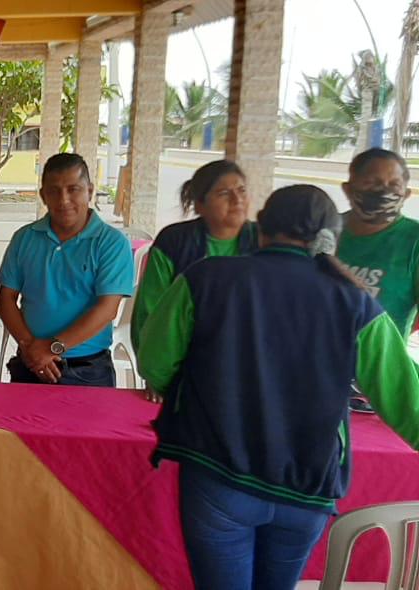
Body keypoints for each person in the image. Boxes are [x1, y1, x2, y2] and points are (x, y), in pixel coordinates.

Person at [137, 185, 419, 590]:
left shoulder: (205, 278)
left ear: (261, 227)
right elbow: (408, 404)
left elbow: (155, 364)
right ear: (331, 238)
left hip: (219, 476)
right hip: (306, 487)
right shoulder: (357, 303)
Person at [0, 153, 134, 387]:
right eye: (54, 191)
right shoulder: (24, 238)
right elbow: (6, 299)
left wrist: (52, 348)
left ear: (90, 191)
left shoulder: (111, 243)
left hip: (88, 371)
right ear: (43, 195)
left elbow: (107, 309)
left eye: (73, 189)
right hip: (30, 363)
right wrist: (31, 348)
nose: (64, 200)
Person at [131, 160, 259, 352]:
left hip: (247, 354)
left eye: (242, 190)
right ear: (199, 205)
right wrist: (150, 362)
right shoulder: (174, 242)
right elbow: (148, 312)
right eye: (223, 193)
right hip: (184, 356)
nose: (237, 199)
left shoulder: (262, 239)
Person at [337, 148, 419, 331]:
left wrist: (392, 339)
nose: (383, 191)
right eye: (372, 183)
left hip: (379, 349)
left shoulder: (414, 240)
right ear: (348, 190)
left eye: (394, 185)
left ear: (406, 194)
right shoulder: (325, 231)